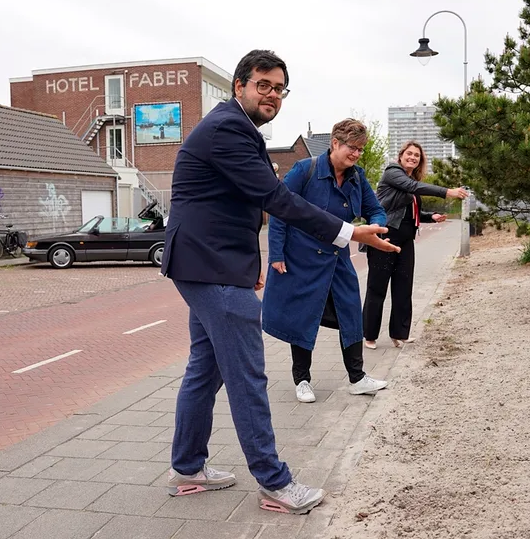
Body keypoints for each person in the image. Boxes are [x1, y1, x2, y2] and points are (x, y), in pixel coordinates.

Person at [161, 49, 399, 515]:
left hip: (207, 263)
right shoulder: (229, 128)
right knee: (248, 375)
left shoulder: (236, 128)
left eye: (279, 88)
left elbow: (236, 205)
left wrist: (248, 266)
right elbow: (275, 199)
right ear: (239, 86)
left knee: (205, 368)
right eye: (263, 85)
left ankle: (187, 468)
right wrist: (349, 232)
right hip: (209, 266)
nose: (272, 95)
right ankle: (275, 484)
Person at [263, 119, 389, 404]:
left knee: (351, 313)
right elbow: (281, 209)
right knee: (302, 316)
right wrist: (277, 253)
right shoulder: (304, 170)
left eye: (360, 149)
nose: (357, 154)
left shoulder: (357, 177)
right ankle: (302, 380)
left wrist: (376, 226)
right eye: (352, 147)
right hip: (303, 259)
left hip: (337, 258)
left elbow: (375, 208)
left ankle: (357, 378)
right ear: (335, 143)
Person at [362, 141, 468, 350]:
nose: (412, 157)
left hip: (406, 240)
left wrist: (430, 216)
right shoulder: (393, 172)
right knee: (377, 287)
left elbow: (409, 212)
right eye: (409, 154)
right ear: (401, 156)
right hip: (385, 236)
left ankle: (399, 333)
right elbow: (409, 191)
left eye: (417, 156)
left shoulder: (411, 181)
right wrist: (447, 191)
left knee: (403, 287)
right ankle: (369, 335)